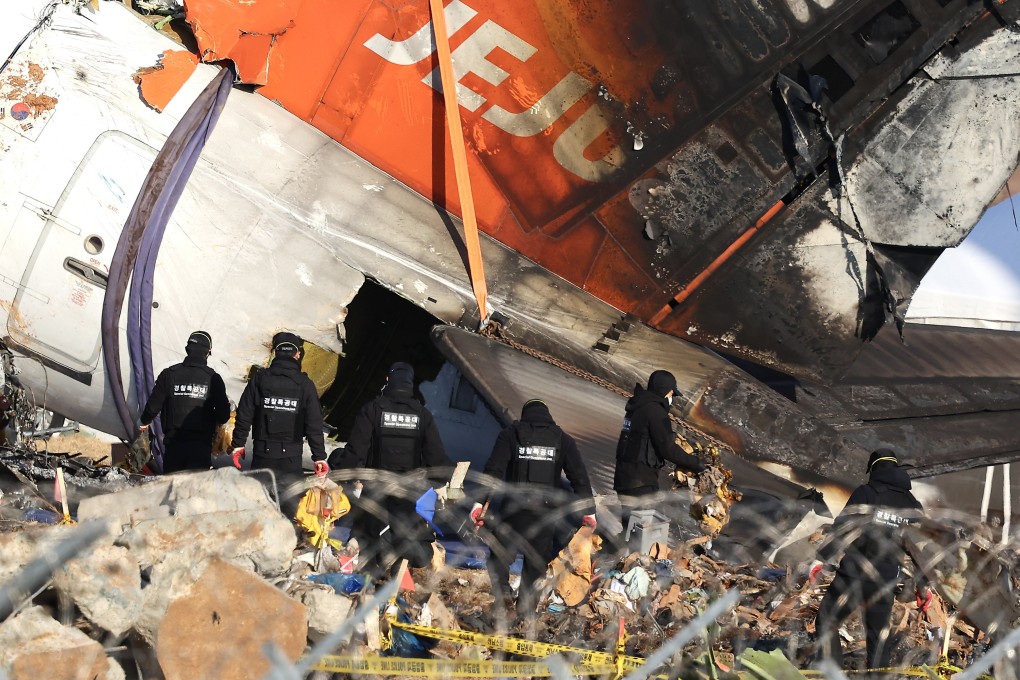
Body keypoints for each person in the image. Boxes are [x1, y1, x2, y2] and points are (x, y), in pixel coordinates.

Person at [810, 448, 932, 670]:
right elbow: (920, 549)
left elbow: (844, 528)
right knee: (878, 638)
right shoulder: (913, 506)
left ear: (874, 469)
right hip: (885, 579)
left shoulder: (866, 492)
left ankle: (832, 673)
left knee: (827, 622)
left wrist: (821, 559)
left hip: (854, 573)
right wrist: (924, 585)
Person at [472, 399, 596, 614]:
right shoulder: (563, 440)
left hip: (513, 512)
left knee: (499, 556)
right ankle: (524, 614)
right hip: (545, 516)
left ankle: (503, 597)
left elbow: (494, 470)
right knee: (535, 566)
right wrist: (589, 512)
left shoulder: (510, 434)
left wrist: (479, 503)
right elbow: (579, 478)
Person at [331, 362, 451, 575]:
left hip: (375, 486)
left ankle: (368, 580)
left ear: (388, 380)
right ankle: (396, 576)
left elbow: (356, 449)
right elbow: (435, 454)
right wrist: (440, 483)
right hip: (407, 490)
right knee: (403, 533)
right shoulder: (422, 415)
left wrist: (341, 472)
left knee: (367, 535)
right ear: (410, 383)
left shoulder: (372, 410)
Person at [229, 332, 329, 487]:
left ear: (275, 352)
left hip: (263, 452)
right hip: (291, 456)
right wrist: (319, 457)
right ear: (297, 354)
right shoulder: (305, 384)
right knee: (288, 499)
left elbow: (244, 413)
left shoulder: (260, 379)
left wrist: (238, 444)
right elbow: (314, 423)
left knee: (260, 497)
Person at [612, 370, 705, 528]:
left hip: (624, 478)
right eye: (671, 393)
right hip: (641, 483)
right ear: (664, 390)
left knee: (629, 530)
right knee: (640, 533)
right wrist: (696, 464)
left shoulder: (636, 407)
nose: (671, 397)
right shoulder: (656, 412)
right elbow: (667, 448)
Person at [139, 331, 230, 473]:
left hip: (174, 446)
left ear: (188, 349)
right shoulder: (213, 378)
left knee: (172, 484)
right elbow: (223, 415)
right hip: (200, 448)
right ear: (207, 352)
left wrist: (144, 422)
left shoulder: (169, 374)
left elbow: (152, 407)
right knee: (195, 486)